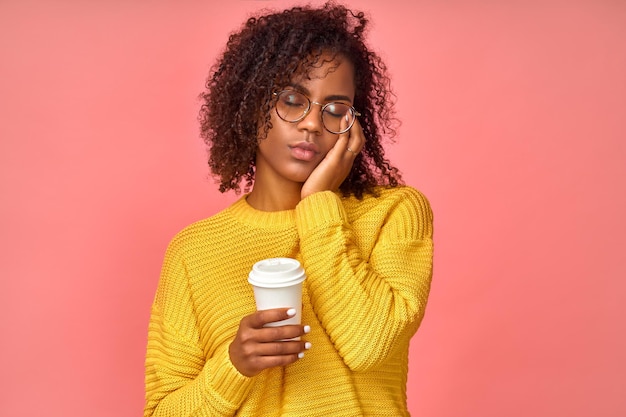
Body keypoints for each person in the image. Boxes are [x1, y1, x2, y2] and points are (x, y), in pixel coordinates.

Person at [144, 2, 434, 416]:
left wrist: (318, 203)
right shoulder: (194, 252)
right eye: (294, 100)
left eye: (335, 110)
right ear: (252, 102)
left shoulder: (394, 212)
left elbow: (369, 344)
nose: (313, 124)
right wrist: (233, 366)